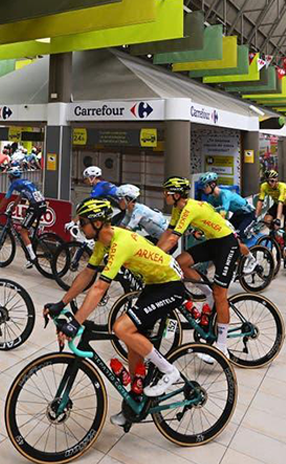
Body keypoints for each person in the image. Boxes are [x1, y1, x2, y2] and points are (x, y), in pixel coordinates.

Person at [47, 198, 188, 425]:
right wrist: (62, 303)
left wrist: (75, 322)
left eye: (83, 222)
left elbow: (100, 287)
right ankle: (135, 399)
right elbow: (87, 274)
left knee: (121, 327)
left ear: (98, 223)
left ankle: (169, 371)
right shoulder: (104, 241)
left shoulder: (119, 242)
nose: (80, 226)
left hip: (171, 285)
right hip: (155, 284)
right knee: (133, 342)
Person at [156, 176, 240, 358]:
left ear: (177, 195)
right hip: (213, 241)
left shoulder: (189, 209)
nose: (164, 195)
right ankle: (207, 294)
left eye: (167, 192)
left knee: (220, 294)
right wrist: (153, 250)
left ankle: (222, 345)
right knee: (180, 262)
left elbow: (173, 239)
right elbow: (168, 232)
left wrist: (154, 257)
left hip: (227, 244)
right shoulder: (178, 208)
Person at [0, 167, 46, 267]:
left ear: (11, 176)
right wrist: (13, 207)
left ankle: (33, 257)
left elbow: (6, 198)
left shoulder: (14, 184)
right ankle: (31, 249)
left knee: (23, 230)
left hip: (35, 206)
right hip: (42, 205)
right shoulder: (25, 182)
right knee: (28, 225)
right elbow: (21, 196)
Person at [198, 172, 256, 240]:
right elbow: (209, 210)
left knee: (239, 235)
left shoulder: (225, 194)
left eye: (205, 186)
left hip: (248, 214)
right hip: (238, 214)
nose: (203, 189)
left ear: (213, 185)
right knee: (228, 233)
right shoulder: (211, 198)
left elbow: (223, 213)